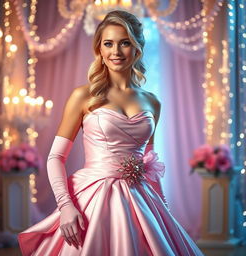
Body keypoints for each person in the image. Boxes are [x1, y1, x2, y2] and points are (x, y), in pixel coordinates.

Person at [18, 10, 204, 256]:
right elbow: (55, 158)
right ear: (100, 49)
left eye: (124, 43)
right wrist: (65, 206)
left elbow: (150, 160)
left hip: (142, 200)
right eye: (108, 43)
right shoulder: (83, 96)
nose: (116, 51)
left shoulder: (152, 102)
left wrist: (164, 211)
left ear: (136, 48)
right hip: (93, 197)